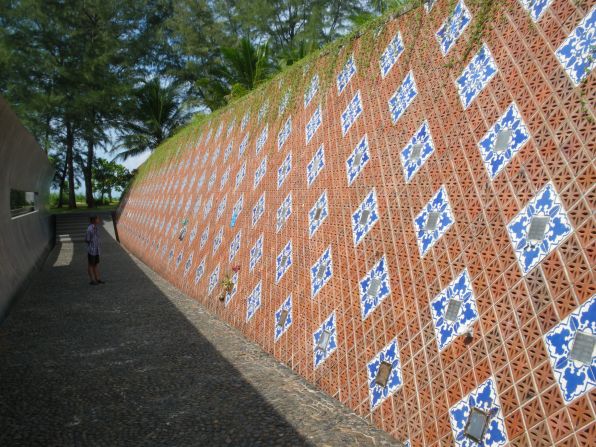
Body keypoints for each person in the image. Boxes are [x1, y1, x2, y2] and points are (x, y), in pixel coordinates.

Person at [85, 216, 104, 285]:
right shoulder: (89, 229)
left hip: (96, 250)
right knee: (90, 265)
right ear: (94, 220)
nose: (99, 220)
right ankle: (92, 280)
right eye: (98, 219)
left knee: (95, 264)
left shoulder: (96, 227)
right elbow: (87, 239)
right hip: (91, 250)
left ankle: (97, 279)